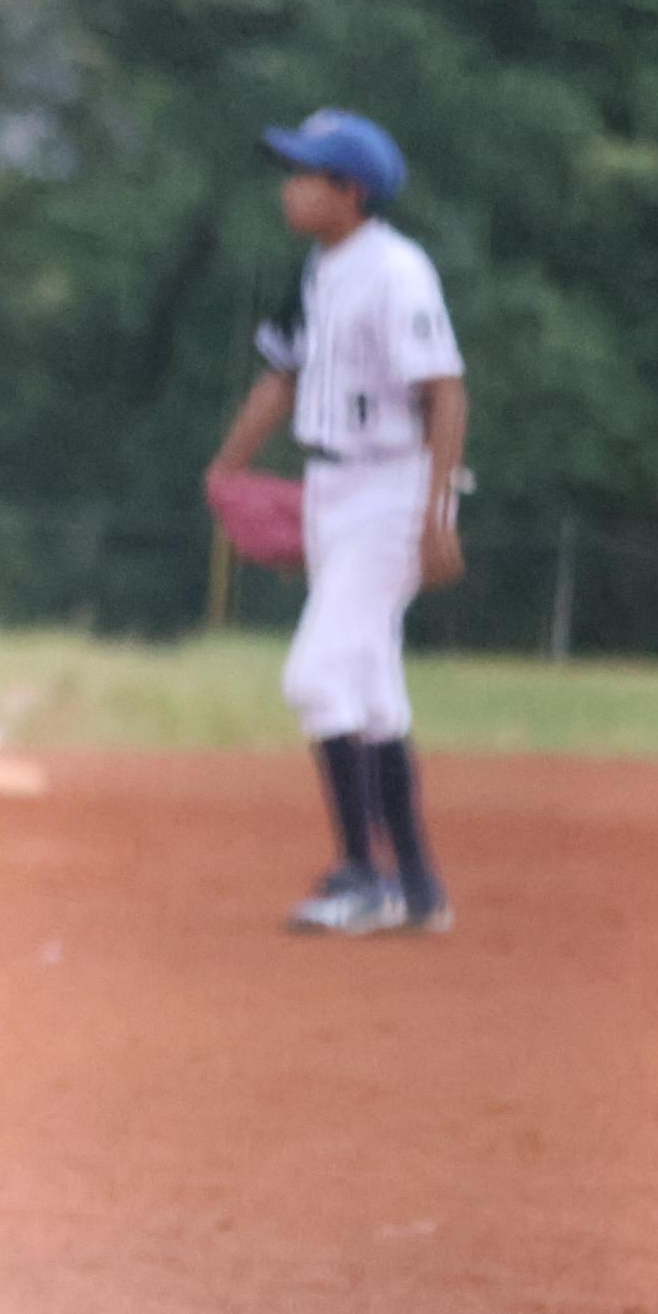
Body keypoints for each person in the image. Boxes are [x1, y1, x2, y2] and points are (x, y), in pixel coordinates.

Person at [204, 109, 468, 936]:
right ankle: (416, 886)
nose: (288, 188)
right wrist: (225, 469)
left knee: (316, 678)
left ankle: (363, 878)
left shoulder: (396, 271)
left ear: (349, 191)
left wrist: (435, 515)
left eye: (304, 174)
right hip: (332, 488)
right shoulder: (318, 274)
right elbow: (278, 378)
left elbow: (445, 393)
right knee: (371, 694)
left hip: (393, 487)